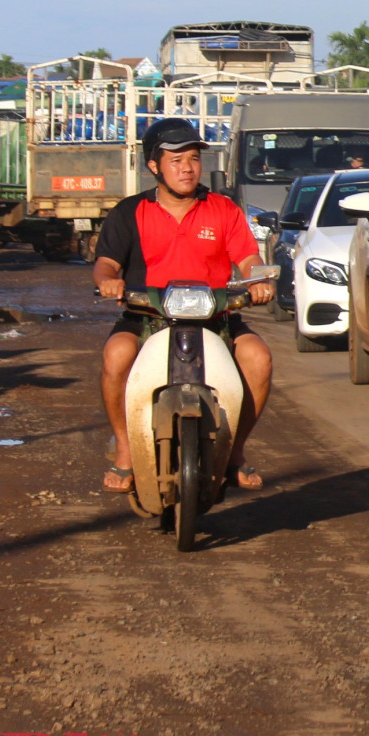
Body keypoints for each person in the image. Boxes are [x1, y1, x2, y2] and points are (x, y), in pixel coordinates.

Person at [95, 118, 275, 495]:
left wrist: (257, 280)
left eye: (193, 158)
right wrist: (108, 280)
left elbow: (248, 258)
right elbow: (106, 263)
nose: (187, 168)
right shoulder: (129, 211)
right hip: (146, 318)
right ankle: (125, 448)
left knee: (259, 358)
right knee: (115, 355)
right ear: (154, 165)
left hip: (216, 318)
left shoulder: (223, 209)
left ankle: (235, 452)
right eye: (176, 160)